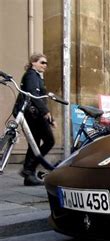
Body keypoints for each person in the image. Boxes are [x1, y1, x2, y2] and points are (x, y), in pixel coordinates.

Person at [17, 53, 56, 186]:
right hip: (33, 115)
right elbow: (33, 95)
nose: (45, 65)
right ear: (33, 62)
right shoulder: (31, 75)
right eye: (42, 62)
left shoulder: (36, 76)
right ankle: (28, 170)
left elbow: (41, 98)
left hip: (36, 114)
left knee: (34, 144)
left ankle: (29, 175)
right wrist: (45, 112)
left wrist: (50, 117)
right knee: (49, 141)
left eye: (46, 63)